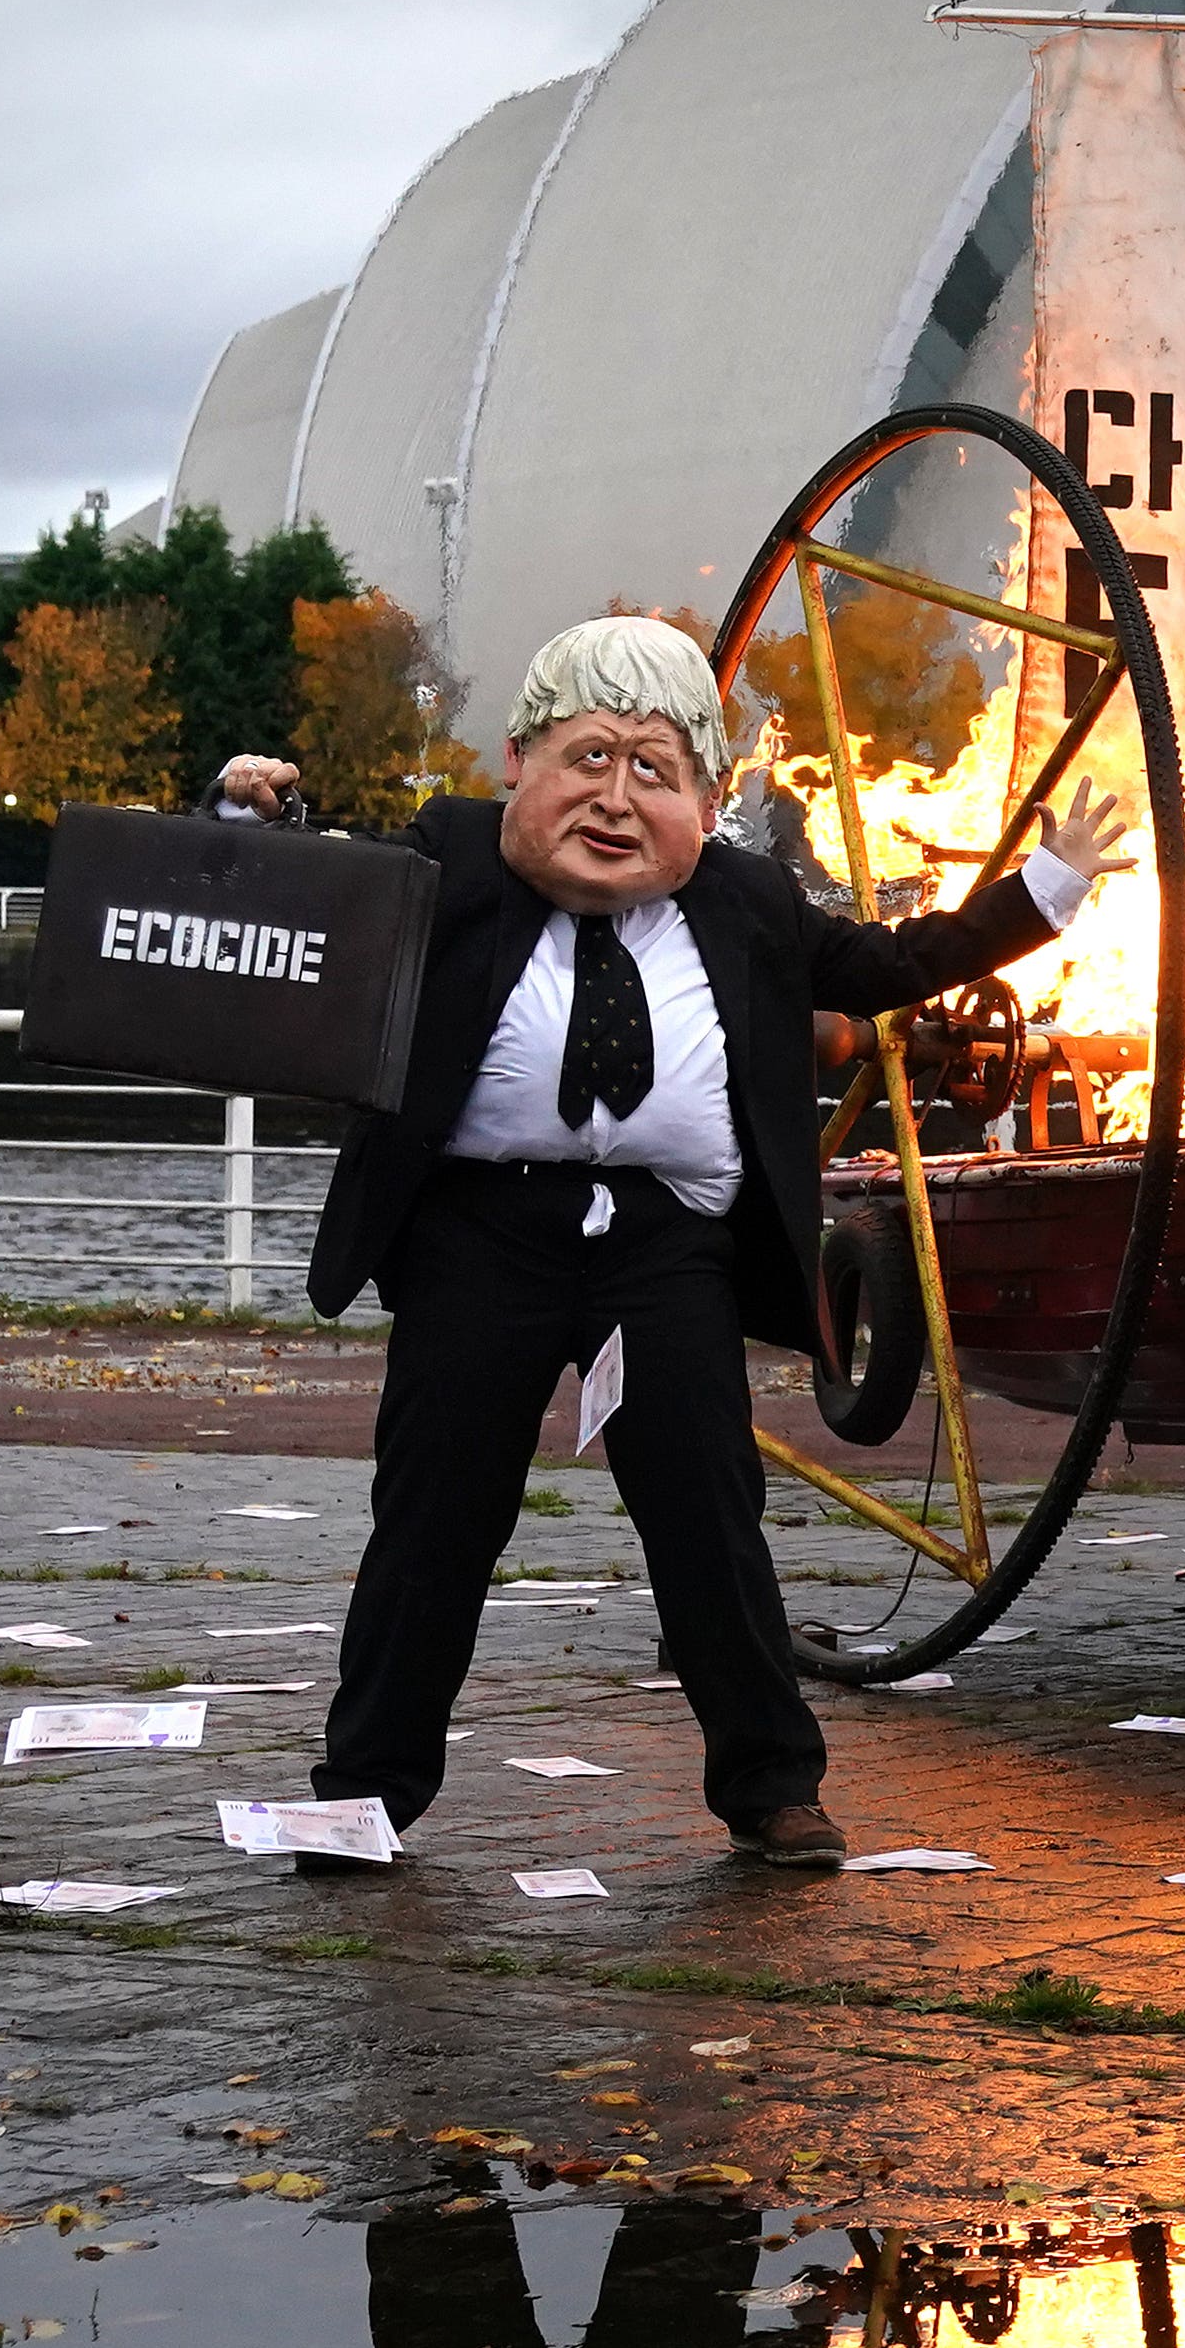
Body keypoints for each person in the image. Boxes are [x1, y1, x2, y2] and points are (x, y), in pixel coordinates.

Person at [216, 614, 1124, 1871]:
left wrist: (1046, 889)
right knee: (434, 1514)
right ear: (520, 761)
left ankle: (771, 1784)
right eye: (587, 758)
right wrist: (263, 818)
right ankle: (365, 1788)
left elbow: (885, 964)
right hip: (485, 1234)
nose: (615, 797)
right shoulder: (450, 855)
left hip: (661, 1247)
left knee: (708, 1512)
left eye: (656, 771)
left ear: (707, 795)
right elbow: (330, 911)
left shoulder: (747, 901)